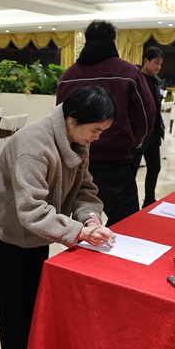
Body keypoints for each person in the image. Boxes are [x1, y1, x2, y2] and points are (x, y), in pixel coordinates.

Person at [0, 85, 117, 349]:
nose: (97, 137)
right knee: (15, 309)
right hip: (10, 230)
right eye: (96, 130)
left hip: (38, 230)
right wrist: (79, 232)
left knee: (35, 303)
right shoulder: (33, 146)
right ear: (73, 119)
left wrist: (90, 218)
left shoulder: (77, 139)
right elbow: (30, 209)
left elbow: (84, 188)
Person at [56, 20, 156, 226]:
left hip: (76, 159)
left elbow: (60, 117)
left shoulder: (68, 75)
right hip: (115, 158)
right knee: (126, 221)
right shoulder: (128, 72)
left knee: (83, 218)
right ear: (113, 41)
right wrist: (133, 142)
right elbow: (146, 114)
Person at [131, 46, 166, 208]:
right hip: (138, 134)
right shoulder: (135, 79)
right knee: (132, 170)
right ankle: (130, 201)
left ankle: (149, 199)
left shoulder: (156, 81)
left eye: (160, 64)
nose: (158, 66)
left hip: (154, 133)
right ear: (146, 61)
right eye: (156, 62)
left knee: (155, 167)